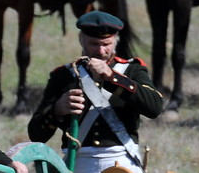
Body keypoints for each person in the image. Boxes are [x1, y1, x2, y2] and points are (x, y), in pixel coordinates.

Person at [28, 11, 164, 173]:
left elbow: (154, 108)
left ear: (115, 41)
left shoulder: (132, 70)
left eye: (106, 44)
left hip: (121, 159)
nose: (100, 51)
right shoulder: (63, 76)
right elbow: (36, 134)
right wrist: (57, 109)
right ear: (82, 40)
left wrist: (112, 77)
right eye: (94, 44)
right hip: (78, 160)